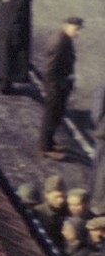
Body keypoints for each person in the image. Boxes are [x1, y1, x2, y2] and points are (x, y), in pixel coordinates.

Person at [41, 17, 83, 160]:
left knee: (55, 117)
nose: (78, 33)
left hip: (61, 86)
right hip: (56, 88)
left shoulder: (64, 38)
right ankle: (45, 148)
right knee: (50, 118)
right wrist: (54, 89)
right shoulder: (59, 42)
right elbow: (50, 69)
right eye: (76, 29)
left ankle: (50, 143)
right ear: (66, 25)